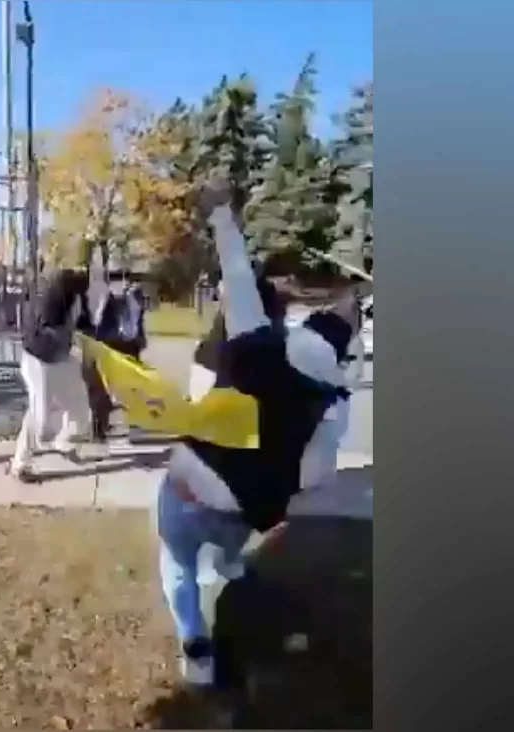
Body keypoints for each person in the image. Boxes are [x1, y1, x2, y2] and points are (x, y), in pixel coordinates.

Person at [155, 181, 361, 687]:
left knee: (178, 566)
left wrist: (222, 215)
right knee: (226, 545)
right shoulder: (332, 399)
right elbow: (316, 474)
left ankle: (196, 648)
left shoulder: (256, 347)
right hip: (244, 510)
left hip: (187, 489)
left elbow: (237, 273)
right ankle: (227, 565)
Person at [9, 268, 93, 482]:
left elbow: (85, 323)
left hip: (61, 357)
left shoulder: (77, 297)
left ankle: (65, 441)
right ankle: (21, 464)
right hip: (39, 360)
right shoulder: (52, 298)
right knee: (41, 419)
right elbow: (42, 330)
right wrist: (69, 335)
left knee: (80, 407)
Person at [83, 281, 149, 440]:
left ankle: (130, 421)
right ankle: (99, 427)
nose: (143, 301)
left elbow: (139, 326)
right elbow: (99, 326)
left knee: (131, 386)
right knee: (102, 388)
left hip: (129, 346)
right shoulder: (110, 302)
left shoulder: (135, 305)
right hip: (111, 345)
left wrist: (141, 341)